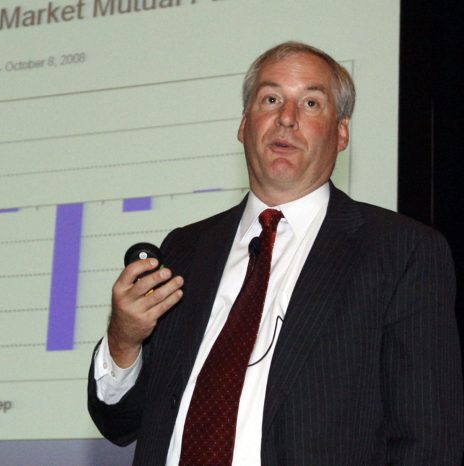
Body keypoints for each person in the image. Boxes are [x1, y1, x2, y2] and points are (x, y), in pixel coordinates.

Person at [87, 41, 464, 465]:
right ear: (245, 124)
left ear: (341, 133)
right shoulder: (186, 249)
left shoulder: (401, 251)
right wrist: (124, 338)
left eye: (310, 103)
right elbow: (120, 423)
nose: (287, 118)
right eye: (271, 99)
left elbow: (427, 441)